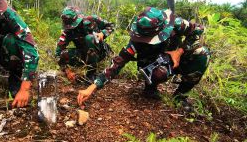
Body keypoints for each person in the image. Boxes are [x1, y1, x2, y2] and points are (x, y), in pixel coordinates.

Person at [77, 7, 211, 111]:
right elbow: (118, 63)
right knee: (159, 74)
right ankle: (150, 87)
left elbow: (198, 29)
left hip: (176, 57)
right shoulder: (136, 40)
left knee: (202, 53)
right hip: (154, 65)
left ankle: (180, 96)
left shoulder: (176, 23)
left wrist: (179, 52)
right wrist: (92, 87)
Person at [55, 6, 114, 82]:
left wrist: (102, 33)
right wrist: (67, 71)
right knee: (64, 54)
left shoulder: (92, 20)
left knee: (89, 38)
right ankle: (87, 66)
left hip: (100, 52)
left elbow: (111, 25)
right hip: (84, 55)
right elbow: (58, 53)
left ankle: (91, 73)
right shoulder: (67, 32)